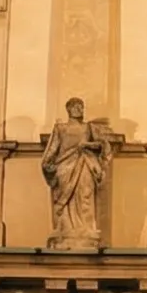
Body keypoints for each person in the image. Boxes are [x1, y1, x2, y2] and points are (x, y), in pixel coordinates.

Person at [41, 96, 112, 249]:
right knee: (65, 202)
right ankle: (65, 230)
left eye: (81, 106)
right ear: (69, 110)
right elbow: (53, 149)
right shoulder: (60, 128)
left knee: (85, 195)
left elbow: (102, 146)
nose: (79, 109)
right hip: (64, 168)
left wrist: (87, 145)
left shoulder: (89, 128)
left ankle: (86, 230)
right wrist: (47, 165)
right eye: (76, 107)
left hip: (85, 164)